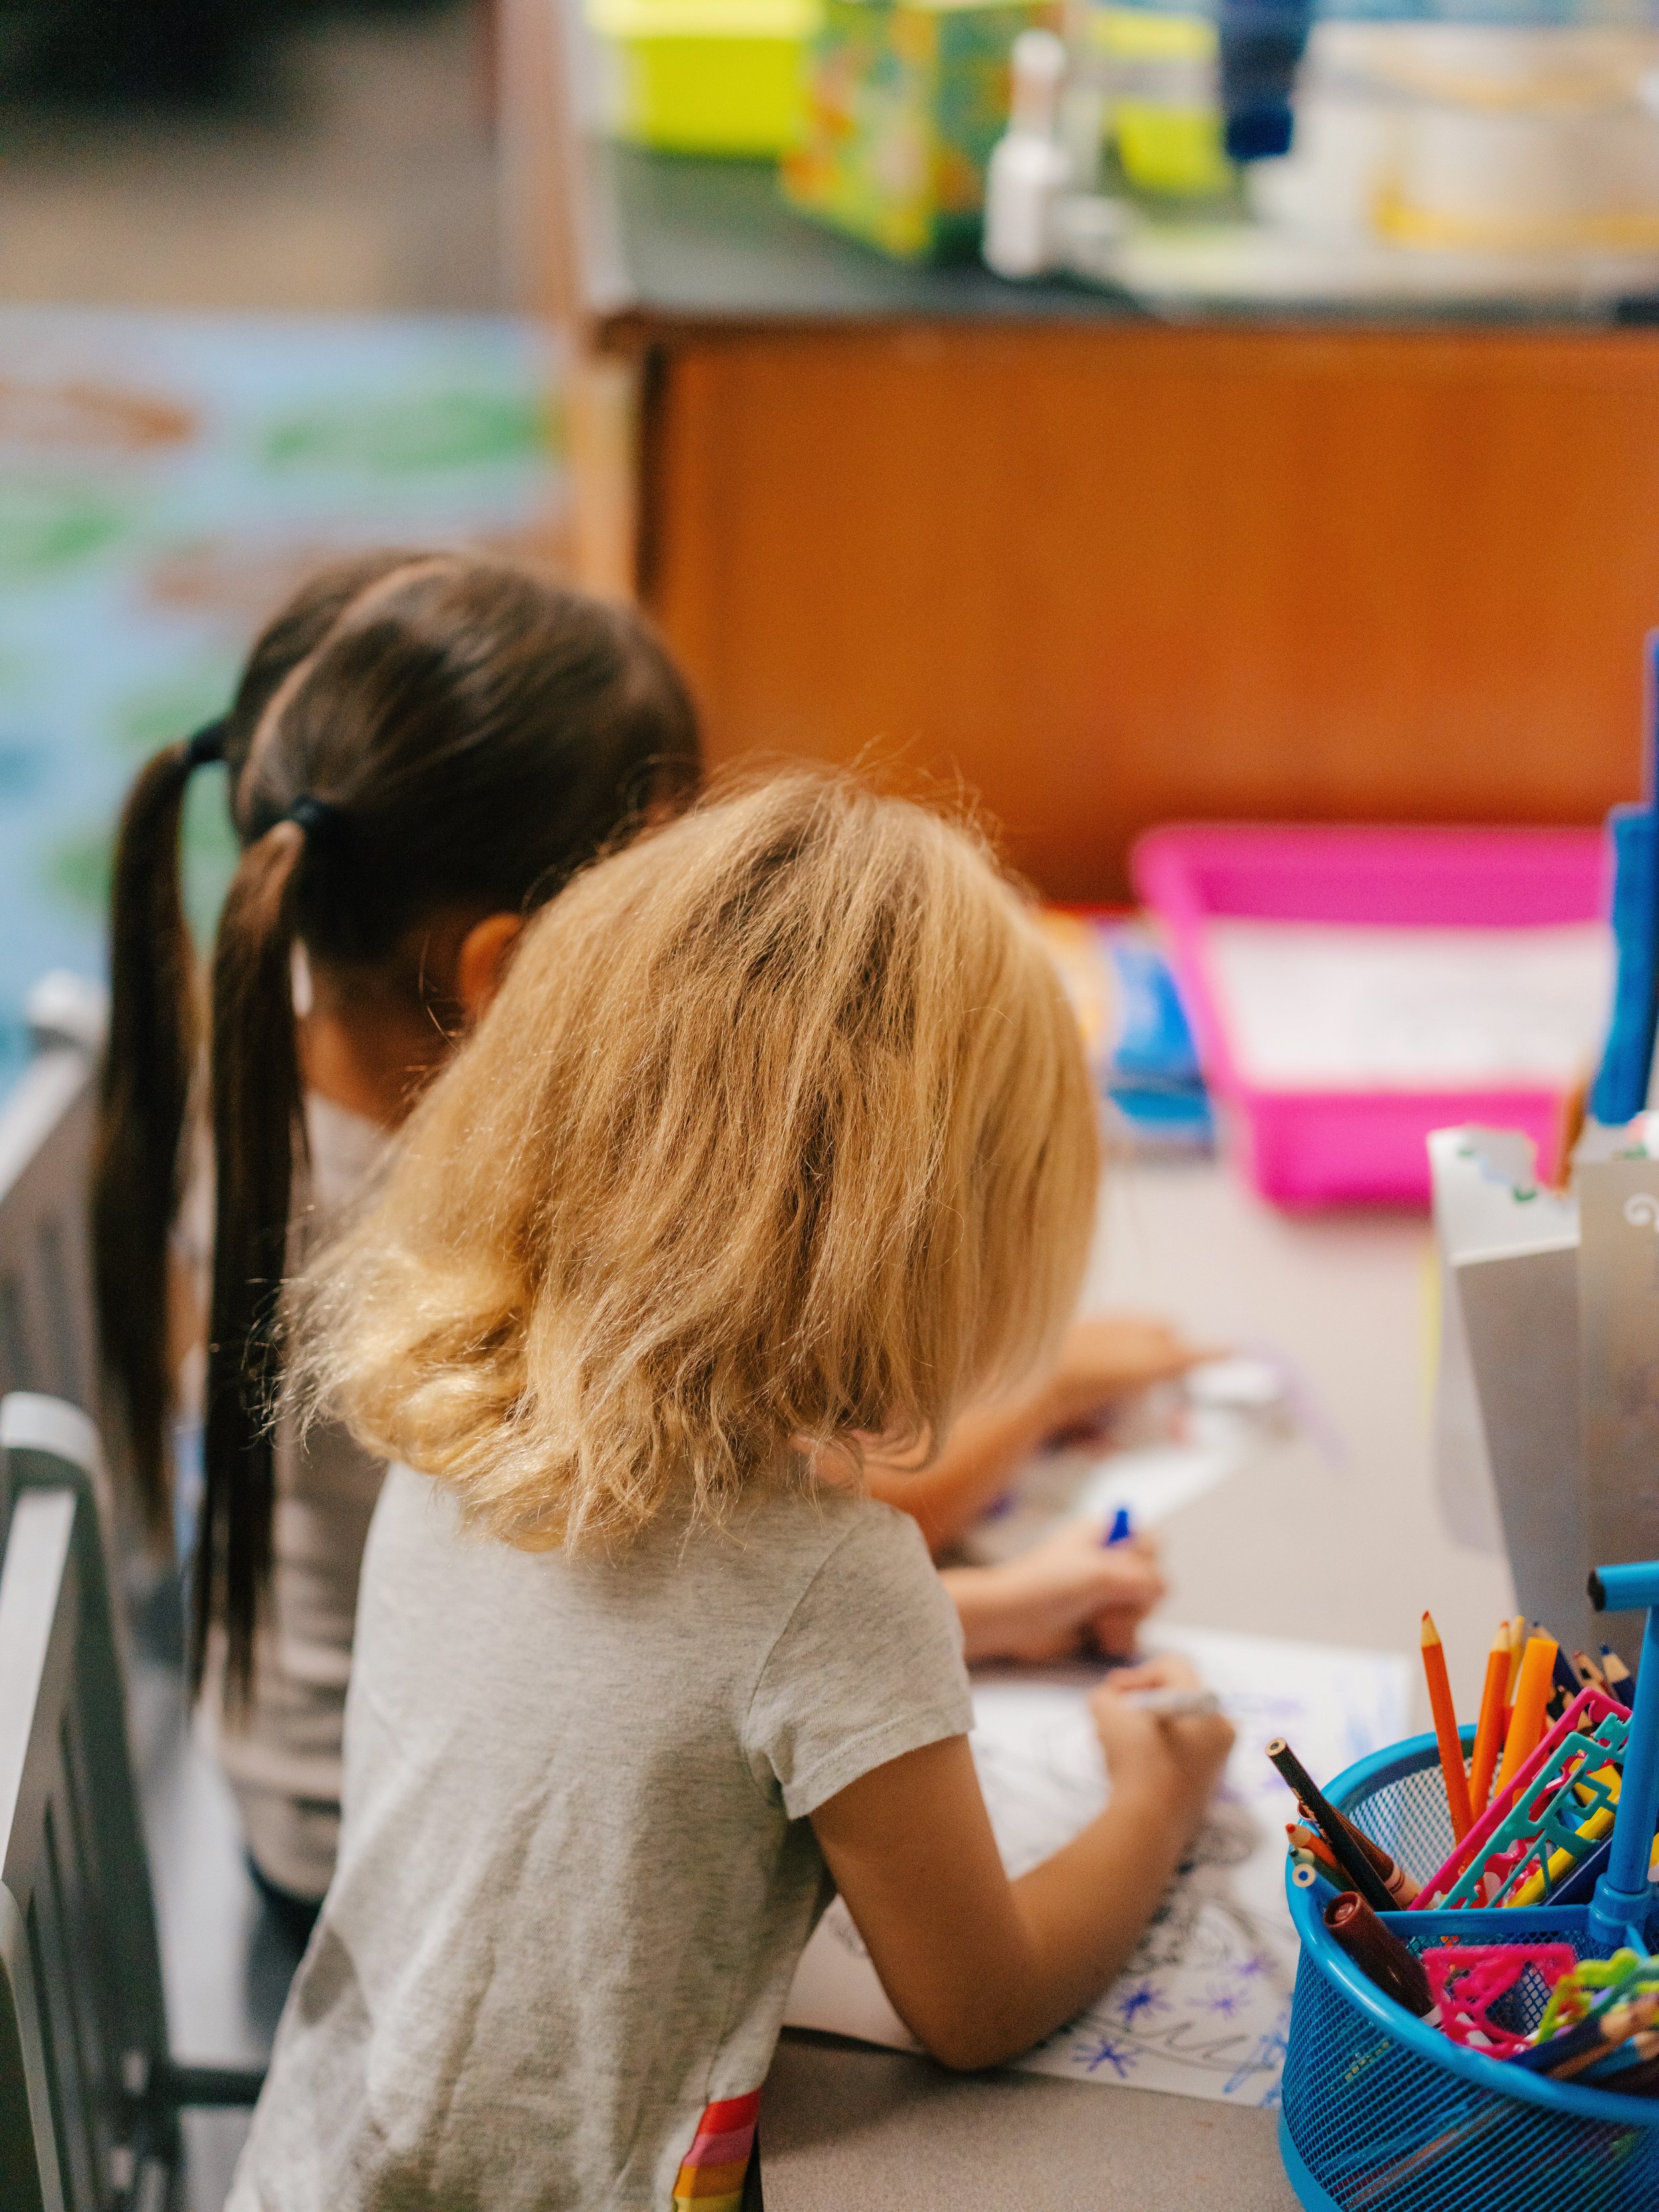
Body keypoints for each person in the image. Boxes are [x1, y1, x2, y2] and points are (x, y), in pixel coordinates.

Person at [227, 775, 1234, 2212]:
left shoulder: (466, 1405)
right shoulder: (832, 1584)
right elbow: (979, 1999)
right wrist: (1157, 1794)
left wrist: (990, 1612)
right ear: (948, 1234)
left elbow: (648, 1673)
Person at [91, 550, 703, 1941]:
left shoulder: (276, 1037)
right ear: (505, 966)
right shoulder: (442, 1256)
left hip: (295, 1774)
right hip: (382, 1861)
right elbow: (686, 1566)